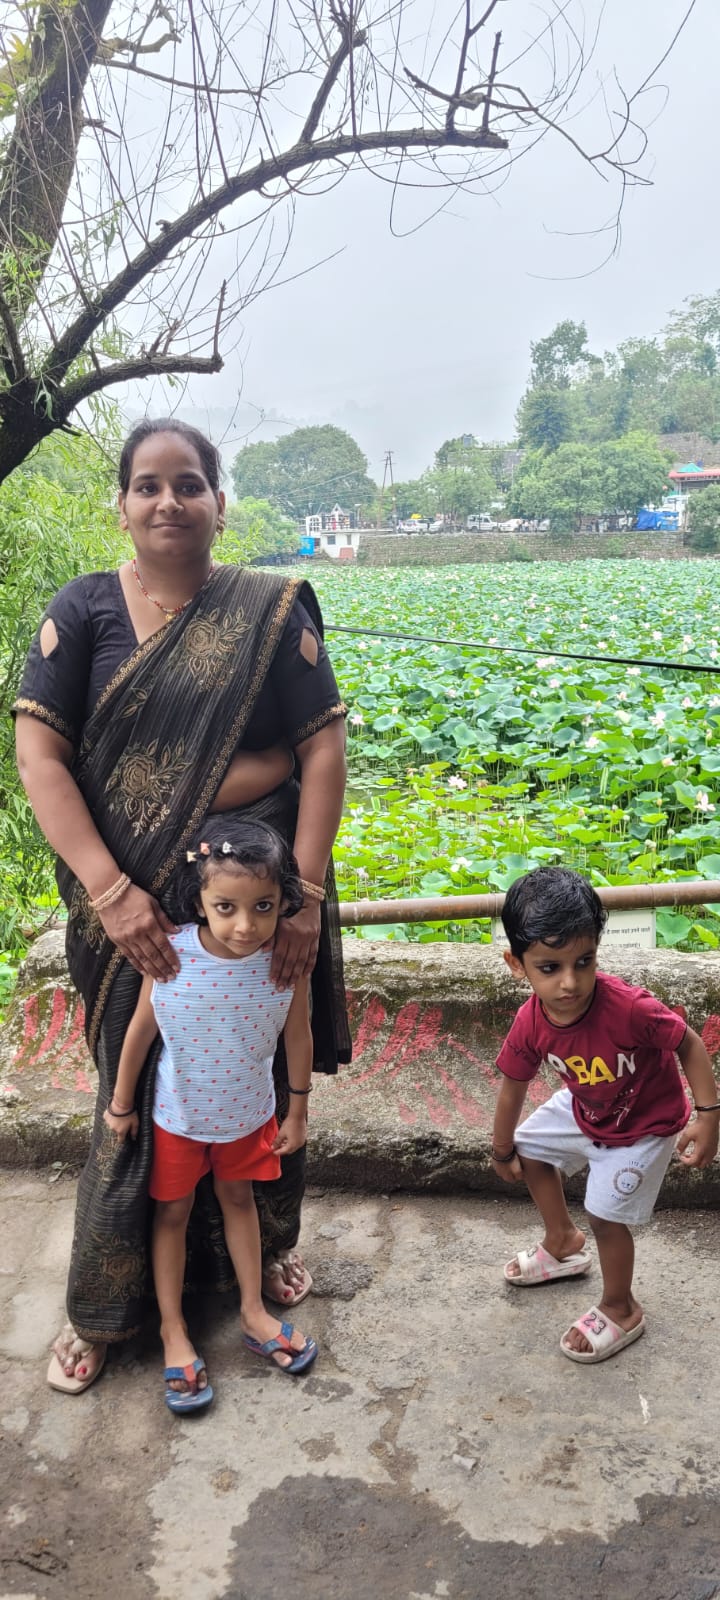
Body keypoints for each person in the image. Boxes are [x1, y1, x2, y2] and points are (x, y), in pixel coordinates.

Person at [14, 418, 350, 1394]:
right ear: (122, 504)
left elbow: (322, 747)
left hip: (257, 907)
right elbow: (42, 757)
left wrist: (303, 901)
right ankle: (105, 1307)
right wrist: (112, 891)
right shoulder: (81, 613)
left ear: (218, 503)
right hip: (128, 915)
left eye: (190, 483)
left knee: (258, 1076)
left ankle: (263, 1254)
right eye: (149, 485)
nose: (169, 500)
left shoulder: (268, 612)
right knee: (130, 1104)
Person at [104, 819, 318, 1412]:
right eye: (226, 907)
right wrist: (121, 1103)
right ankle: (173, 1329)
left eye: (263, 906)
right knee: (171, 1215)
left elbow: (298, 1037)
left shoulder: (285, 963)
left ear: (283, 902)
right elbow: (141, 1030)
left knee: (240, 1201)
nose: (245, 925)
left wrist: (298, 1112)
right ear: (199, 900)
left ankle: (252, 1311)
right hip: (177, 1119)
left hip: (249, 1118)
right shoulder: (171, 954)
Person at [492, 866, 719, 1365]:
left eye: (584, 961)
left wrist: (708, 1116)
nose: (570, 982)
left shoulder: (629, 1008)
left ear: (597, 950)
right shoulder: (530, 1021)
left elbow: (688, 1043)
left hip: (645, 1125)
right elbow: (512, 1087)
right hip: (588, 1106)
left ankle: (621, 1306)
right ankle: (561, 1240)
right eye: (549, 967)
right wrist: (502, 1149)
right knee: (531, 1148)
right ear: (516, 964)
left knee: (605, 1214)